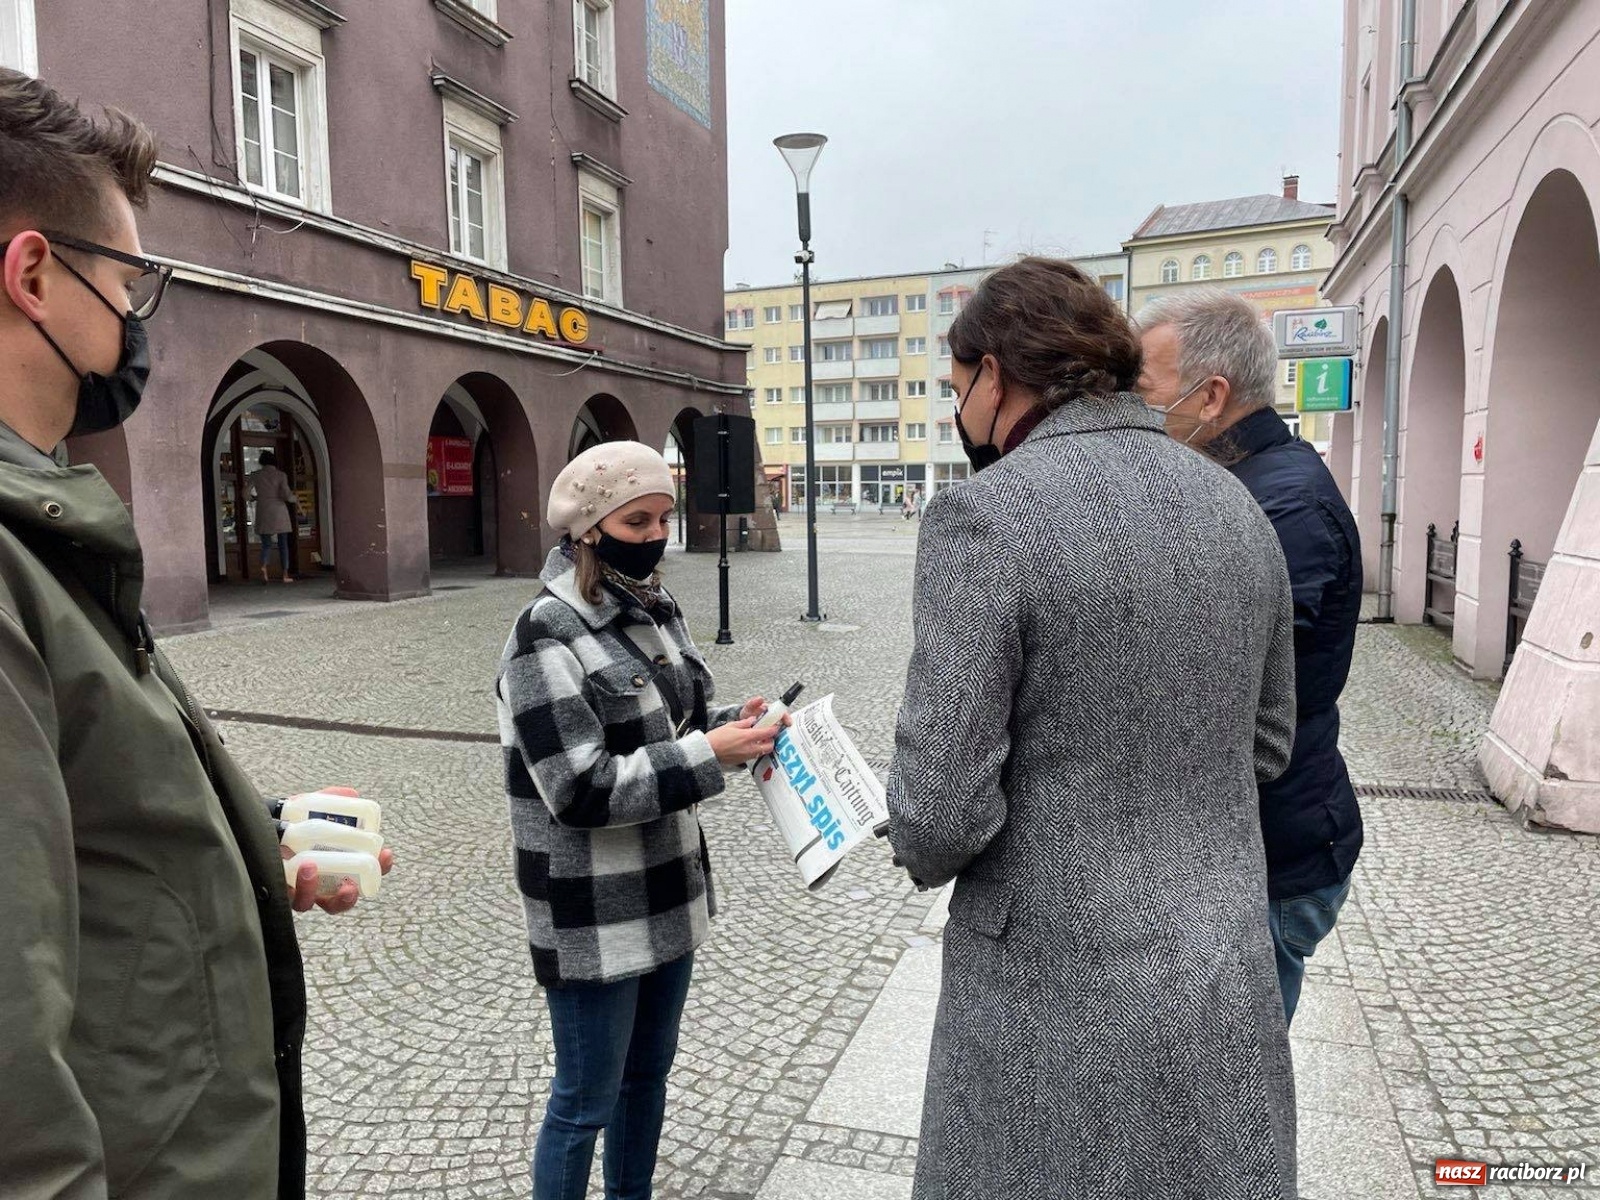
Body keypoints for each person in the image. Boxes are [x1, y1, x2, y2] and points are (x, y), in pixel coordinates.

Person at [0, 70, 387, 1198]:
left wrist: (243, 841)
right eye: (126, 281)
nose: (133, 317)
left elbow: (80, 823)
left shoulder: (45, 525)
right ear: (34, 274)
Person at [886, 258, 1299, 1199]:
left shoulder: (984, 518)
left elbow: (938, 816)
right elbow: (1270, 742)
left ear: (995, 376)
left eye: (960, 391)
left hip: (1045, 987)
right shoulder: (1236, 503)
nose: (962, 416)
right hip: (1218, 966)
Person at [496, 441, 781, 1200]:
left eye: (664, 516)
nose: (656, 534)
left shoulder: (656, 608)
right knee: (585, 1101)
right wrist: (708, 753)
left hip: (667, 892)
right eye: (636, 519)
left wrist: (735, 725)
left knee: (646, 1080)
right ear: (589, 527)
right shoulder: (543, 633)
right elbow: (578, 789)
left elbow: (673, 724)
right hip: (591, 909)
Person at [1135, 288, 1364, 1024]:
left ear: (1211, 397)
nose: (1135, 414)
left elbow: (1218, 686)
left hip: (1271, 860)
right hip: (1239, 847)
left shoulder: (1284, 505)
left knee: (1231, 1103)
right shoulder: (1239, 481)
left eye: (1144, 392)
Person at [250, 448, 299, 582]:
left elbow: (245, 493)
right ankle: (285, 574)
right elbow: (287, 496)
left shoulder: (255, 475)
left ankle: (264, 566)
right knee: (283, 543)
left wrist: (253, 498)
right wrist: (295, 499)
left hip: (263, 510)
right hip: (279, 511)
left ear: (261, 462)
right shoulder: (281, 475)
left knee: (266, 544)